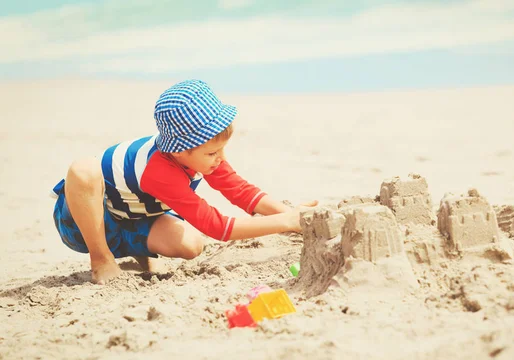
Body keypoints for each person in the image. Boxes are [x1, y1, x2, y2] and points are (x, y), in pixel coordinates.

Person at [51, 80, 316, 284]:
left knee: (191, 245)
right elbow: (216, 226)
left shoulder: (199, 155)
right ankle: (101, 259)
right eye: (212, 153)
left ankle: (137, 254)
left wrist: (290, 214)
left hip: (134, 214)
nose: (220, 159)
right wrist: (286, 223)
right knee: (83, 169)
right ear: (180, 150)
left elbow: (241, 191)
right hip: (85, 222)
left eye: (221, 150)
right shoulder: (158, 171)